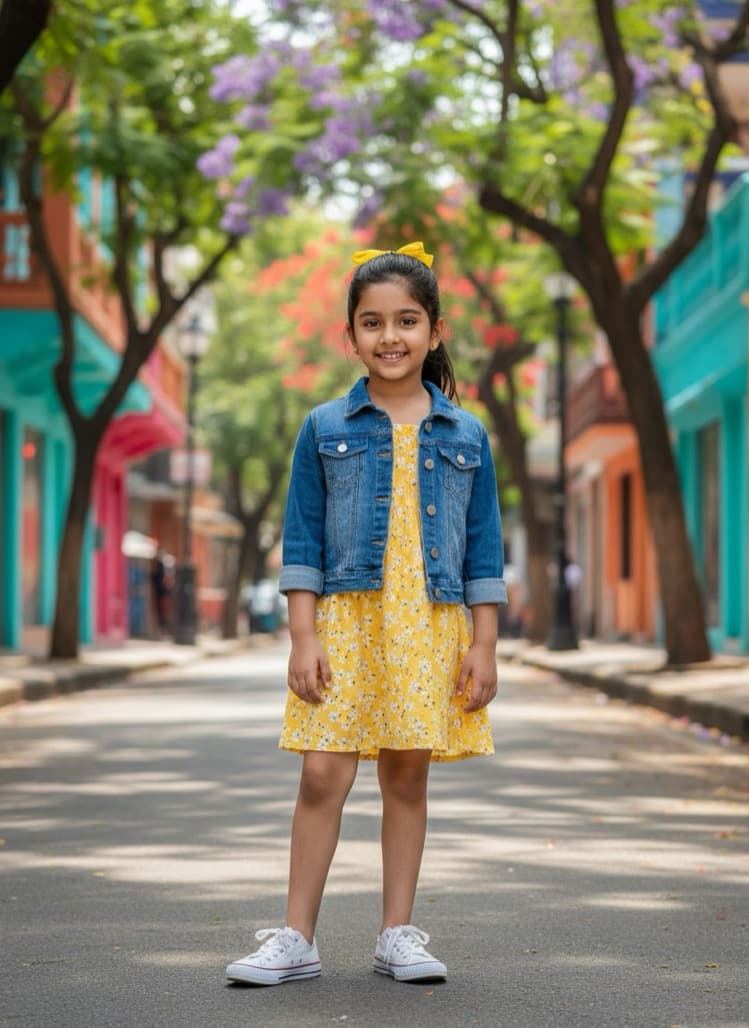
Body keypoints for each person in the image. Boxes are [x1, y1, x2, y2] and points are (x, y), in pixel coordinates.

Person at [225, 242, 507, 987]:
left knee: (407, 776)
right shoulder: (323, 427)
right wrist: (303, 634)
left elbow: (484, 550)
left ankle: (397, 935)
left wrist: (486, 645)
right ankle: (296, 936)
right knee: (323, 773)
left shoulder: (467, 435)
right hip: (346, 624)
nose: (391, 336)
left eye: (407, 320)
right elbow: (303, 536)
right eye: (373, 322)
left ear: (435, 331)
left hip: (428, 624)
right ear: (350, 336)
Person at [150, 547, 171, 636]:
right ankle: (163, 629)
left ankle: (162, 629)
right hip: (163, 594)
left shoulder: (160, 570)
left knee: (161, 612)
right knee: (163, 612)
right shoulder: (164, 569)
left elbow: (155, 579)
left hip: (161, 594)